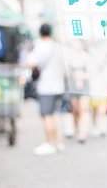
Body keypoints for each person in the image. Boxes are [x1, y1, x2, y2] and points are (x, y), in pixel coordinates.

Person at [27, 23, 66, 155]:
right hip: (58, 85)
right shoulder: (58, 47)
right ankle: (58, 142)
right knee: (53, 114)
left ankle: (49, 143)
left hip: (46, 86)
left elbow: (31, 64)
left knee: (46, 115)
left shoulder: (41, 46)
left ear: (40, 33)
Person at [67, 39, 96, 144]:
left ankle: (82, 132)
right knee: (75, 110)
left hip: (84, 88)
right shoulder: (69, 56)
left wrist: (82, 75)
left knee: (84, 109)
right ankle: (78, 129)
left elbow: (93, 73)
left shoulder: (87, 58)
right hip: (73, 87)